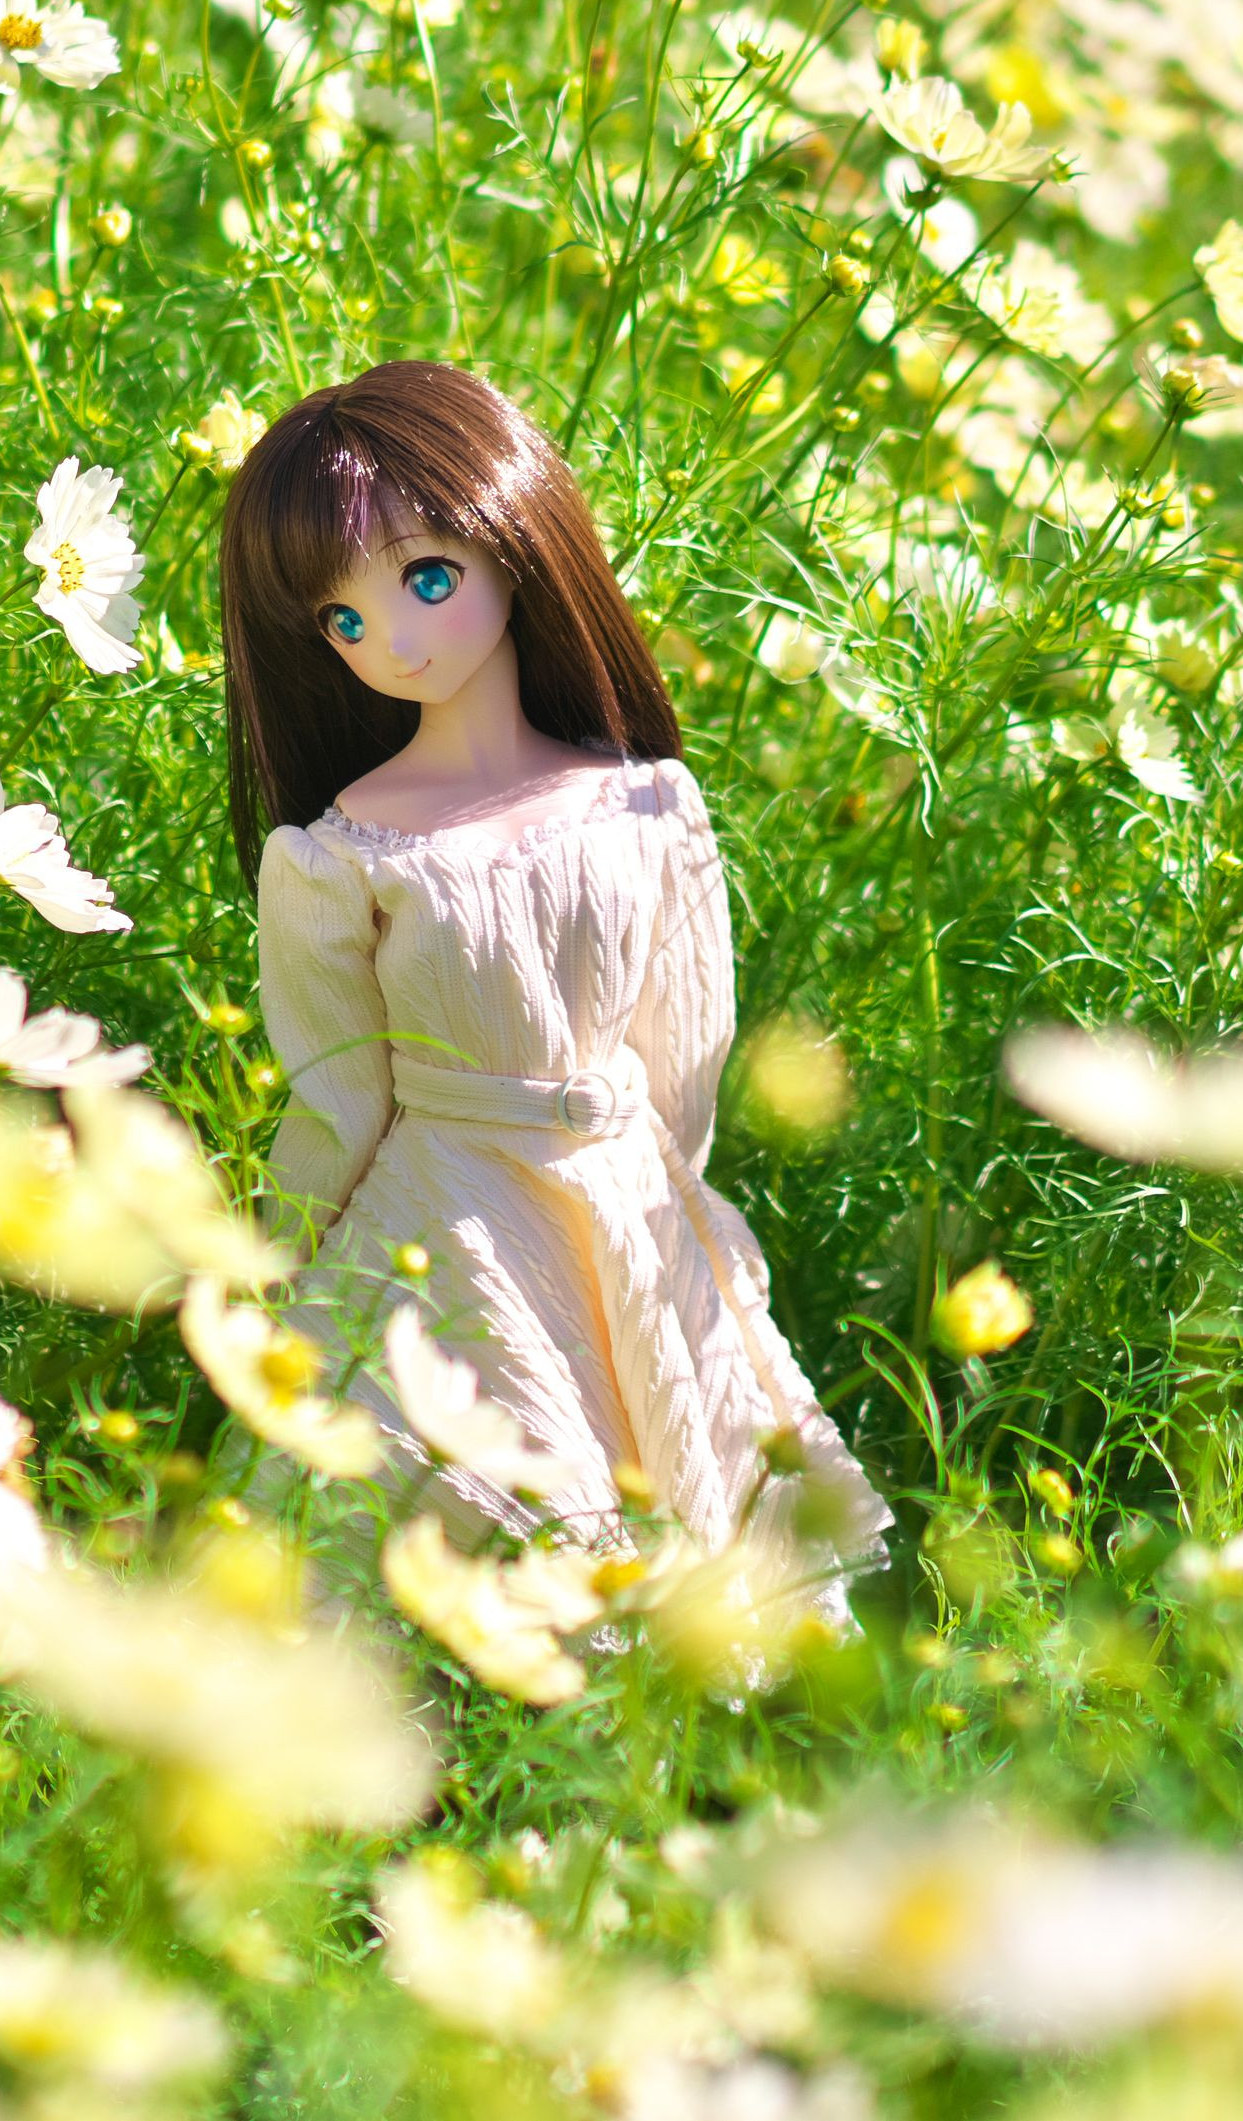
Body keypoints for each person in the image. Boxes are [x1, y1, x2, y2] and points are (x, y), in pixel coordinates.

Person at [222, 359, 885, 1578]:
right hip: (445, 1221)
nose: (393, 641)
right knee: (457, 1502)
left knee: (657, 1502)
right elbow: (336, 1098)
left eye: (426, 578)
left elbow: (683, 1053)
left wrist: (668, 1215)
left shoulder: (645, 806)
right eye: (342, 621)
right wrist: (286, 1259)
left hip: (624, 1208)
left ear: (513, 541)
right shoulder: (341, 855)